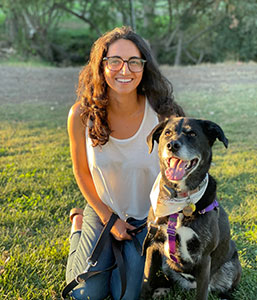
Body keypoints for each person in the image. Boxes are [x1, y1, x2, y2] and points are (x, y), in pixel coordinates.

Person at [65, 26, 185, 300]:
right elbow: (82, 172)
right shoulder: (81, 115)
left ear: (144, 67)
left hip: (148, 218)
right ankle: (79, 225)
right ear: (102, 65)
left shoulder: (164, 115)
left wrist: (164, 223)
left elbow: (179, 172)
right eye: (115, 61)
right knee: (86, 294)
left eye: (134, 62)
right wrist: (110, 219)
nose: (124, 70)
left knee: (126, 295)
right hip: (102, 209)